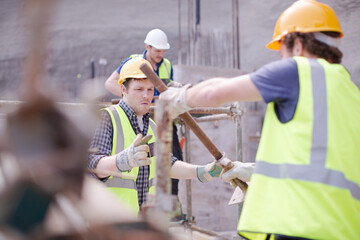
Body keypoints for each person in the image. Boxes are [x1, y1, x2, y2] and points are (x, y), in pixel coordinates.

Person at [159, 0, 360, 239]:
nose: (281, 58)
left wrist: (179, 98)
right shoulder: (350, 92)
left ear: (296, 45)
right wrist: (255, 172)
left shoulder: (298, 71)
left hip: (302, 224)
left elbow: (215, 92)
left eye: (281, 50)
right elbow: (322, 160)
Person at [89, 57, 226, 214]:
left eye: (149, 90)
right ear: (123, 90)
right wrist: (122, 160)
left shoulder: (153, 127)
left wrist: (202, 171)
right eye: (139, 89)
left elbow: (166, 164)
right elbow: (92, 165)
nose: (146, 96)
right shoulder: (108, 118)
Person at [105, 28, 184, 198]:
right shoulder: (133, 62)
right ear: (147, 47)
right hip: (138, 117)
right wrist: (132, 97)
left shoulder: (167, 65)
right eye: (157, 50)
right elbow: (109, 83)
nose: (160, 54)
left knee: (173, 156)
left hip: (160, 118)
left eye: (163, 51)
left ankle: (171, 201)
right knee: (140, 159)